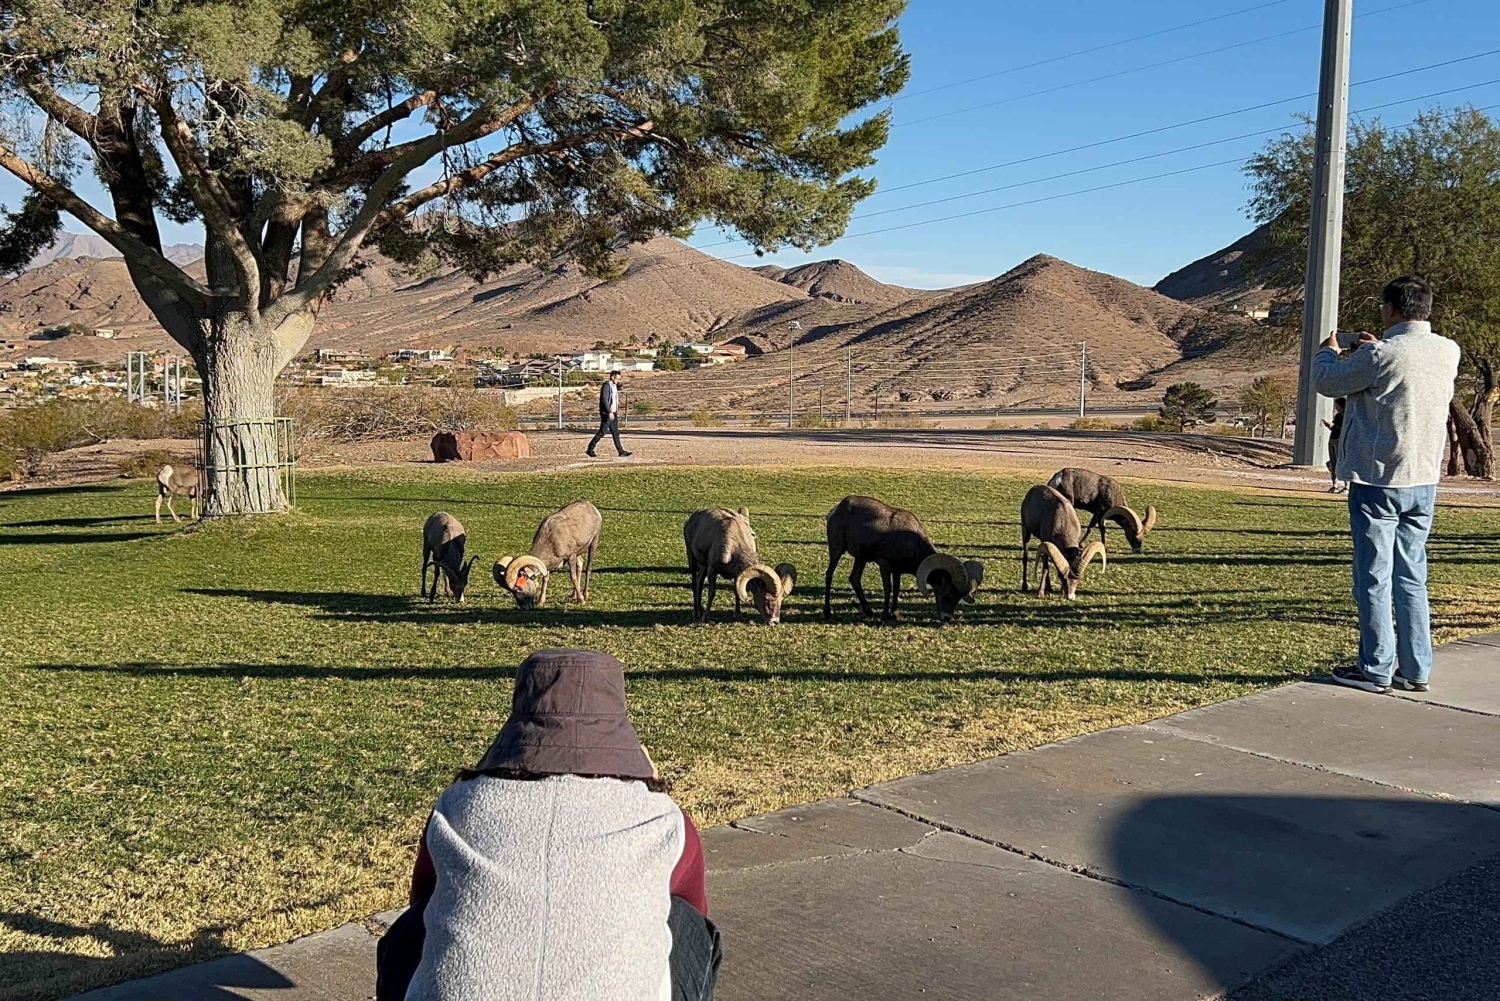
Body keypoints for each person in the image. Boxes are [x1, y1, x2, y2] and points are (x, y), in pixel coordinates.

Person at [376, 649, 721, 1001]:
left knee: (416, 922)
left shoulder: (456, 806)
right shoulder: (663, 820)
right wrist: (652, 788)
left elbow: (422, 897)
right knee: (687, 922)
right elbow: (695, 906)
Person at [1312, 276, 1461, 695]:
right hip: (1424, 477)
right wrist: (1373, 349)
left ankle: (1375, 667)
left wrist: (1329, 350)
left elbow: (1326, 381)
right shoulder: (1447, 350)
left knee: (1373, 576)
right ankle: (1415, 668)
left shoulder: (1380, 354)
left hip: (1378, 478)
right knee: (1411, 574)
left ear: (1392, 308)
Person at [588, 370, 632, 458]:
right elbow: (604, 400)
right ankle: (590, 449)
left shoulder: (614, 386)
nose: (618, 381)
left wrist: (615, 411)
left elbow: (614, 399)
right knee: (602, 432)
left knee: (615, 432)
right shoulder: (606, 386)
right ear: (612, 377)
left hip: (613, 413)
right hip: (608, 413)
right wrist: (609, 412)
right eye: (617, 379)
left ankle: (621, 451)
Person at [1322, 397, 1347, 493]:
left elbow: (1343, 430)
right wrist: (1329, 426)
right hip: (1332, 439)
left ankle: (1346, 486)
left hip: (1340, 440)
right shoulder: (1337, 416)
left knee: (1341, 462)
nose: (1336, 407)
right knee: (1333, 463)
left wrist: (1334, 426)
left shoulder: (1346, 416)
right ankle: (1334, 485)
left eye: (1337, 406)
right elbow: (1334, 428)